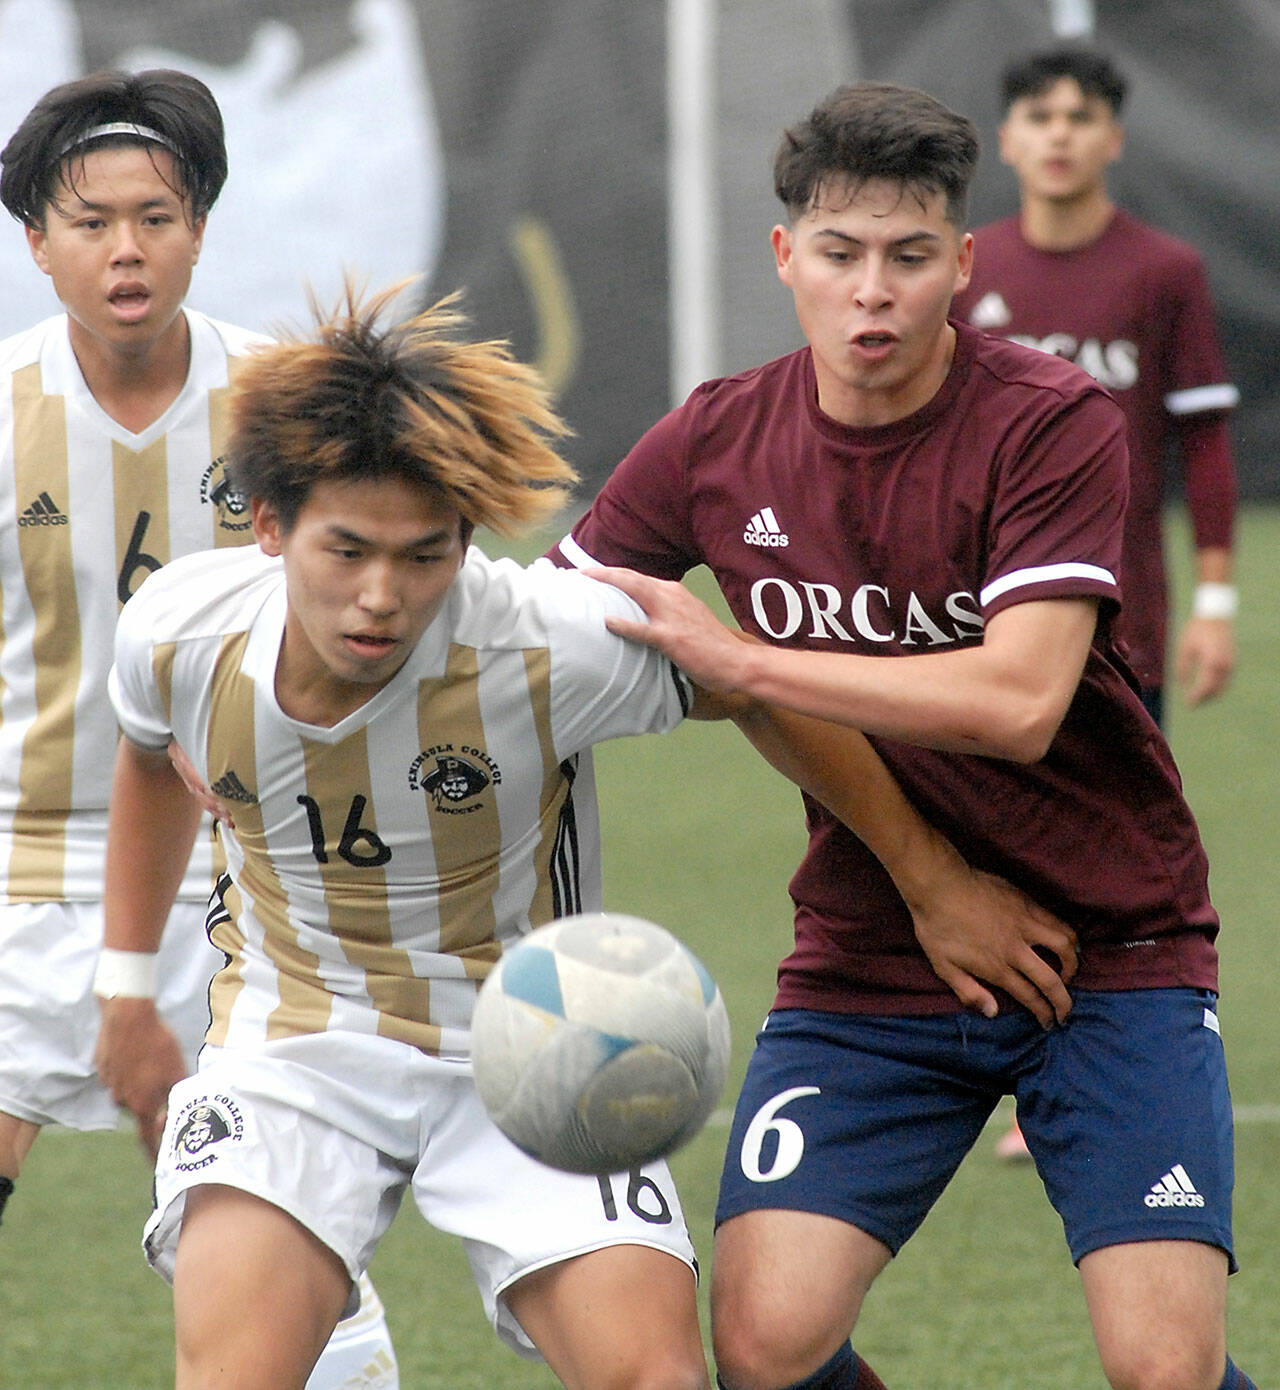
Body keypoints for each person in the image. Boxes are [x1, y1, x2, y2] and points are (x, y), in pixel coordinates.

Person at [95, 279, 1084, 1390]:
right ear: (270, 525)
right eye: (346, 550)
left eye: (424, 556)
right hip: (291, 1048)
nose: (382, 594)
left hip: (539, 1043)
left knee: (655, 1379)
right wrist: (130, 984)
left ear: (467, 539)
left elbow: (757, 687)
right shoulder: (178, 633)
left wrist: (931, 879)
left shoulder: (550, 640)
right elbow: (148, 759)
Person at [550, 82, 1257, 1390]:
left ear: (962, 264)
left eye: (909, 256)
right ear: (786, 258)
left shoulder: (1048, 422)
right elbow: (554, 629)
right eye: (839, 253)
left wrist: (742, 657)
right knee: (767, 1346)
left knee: (1164, 1367)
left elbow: (1018, 703)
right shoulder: (713, 437)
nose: (872, 291)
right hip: (877, 952)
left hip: (1112, 946)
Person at [0, 69, 397, 1387]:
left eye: (157, 215)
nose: (127, 249)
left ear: (202, 224)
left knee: (274, 1245)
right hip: (16, 869)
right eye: (93, 220)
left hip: (235, 887)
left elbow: (375, 619)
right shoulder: (1, 411)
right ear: (34, 238)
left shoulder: (283, 408)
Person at [950, 42, 1242, 1164]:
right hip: (973, 621)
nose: (1060, 132)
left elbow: (1201, 444)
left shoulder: (1161, 271)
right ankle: (964, 1060)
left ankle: (1081, 1069)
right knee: (973, 843)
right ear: (1009, 138)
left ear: (1112, 136)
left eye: (1080, 114)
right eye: (1038, 114)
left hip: (1122, 624)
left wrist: (1212, 596)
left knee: (1098, 853)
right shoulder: (969, 275)